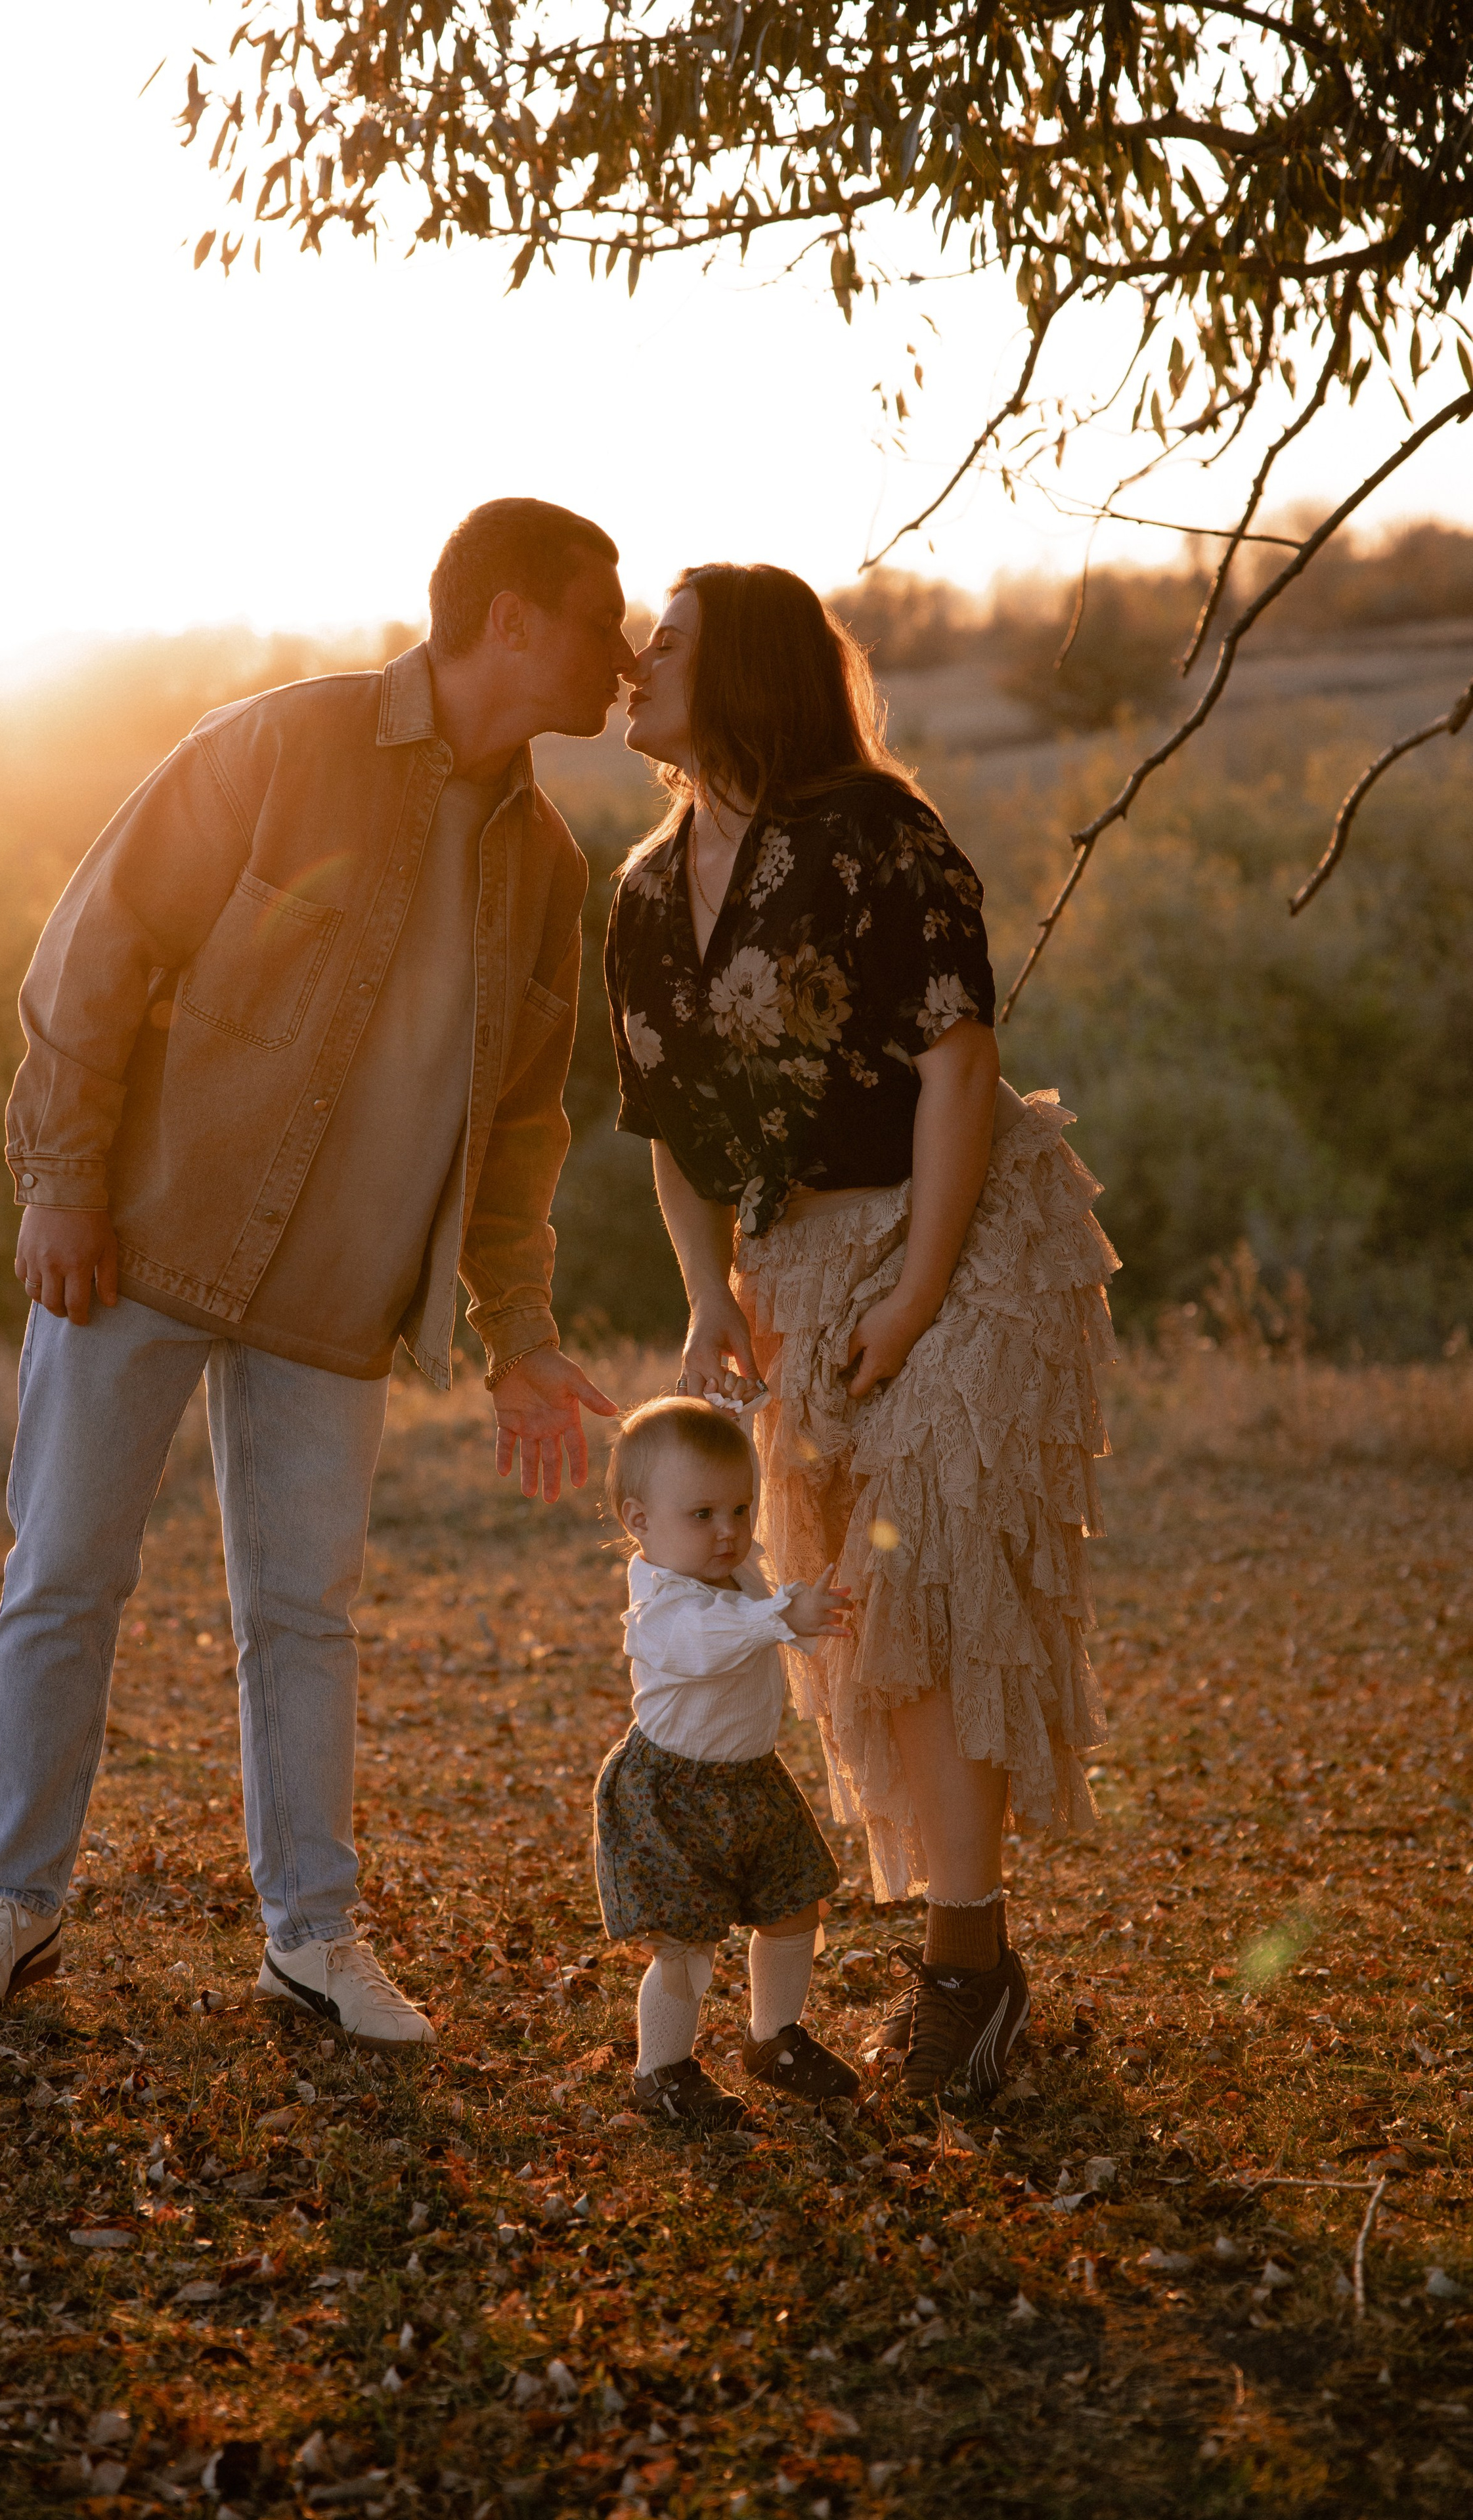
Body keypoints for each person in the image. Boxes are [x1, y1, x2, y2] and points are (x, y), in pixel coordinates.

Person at [0, 498, 627, 2041]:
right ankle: (14, 1904)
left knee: (302, 1612)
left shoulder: (552, 870)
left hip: (339, 1298)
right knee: (60, 1578)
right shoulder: (278, 749)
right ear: (509, 621)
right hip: (141, 1245)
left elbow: (519, 1130)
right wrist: (59, 1184)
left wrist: (517, 1329)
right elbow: (92, 955)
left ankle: (309, 1930)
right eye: (596, 616)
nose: (620, 652)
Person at [605, 563, 1118, 2106]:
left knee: (940, 1562)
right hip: (796, 1265)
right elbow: (666, 1130)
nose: (636, 660)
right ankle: (968, 1952)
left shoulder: (880, 834)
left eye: (670, 641)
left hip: (962, 1231)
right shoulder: (639, 885)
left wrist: (912, 1296)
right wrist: (707, 1292)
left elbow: (958, 1070)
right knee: (862, 1617)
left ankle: (968, 1970)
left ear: (747, 663)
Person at [594, 1396, 858, 2128]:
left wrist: (798, 1610)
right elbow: (711, 1640)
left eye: (740, 1509)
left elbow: (762, 1604)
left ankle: (772, 2037)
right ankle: (661, 2071)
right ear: (638, 1521)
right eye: (702, 1514)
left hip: (751, 1779)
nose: (729, 1531)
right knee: (684, 1946)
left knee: (794, 1904)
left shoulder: (734, 1574)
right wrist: (779, 1616)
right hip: (671, 1791)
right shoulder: (661, 1606)